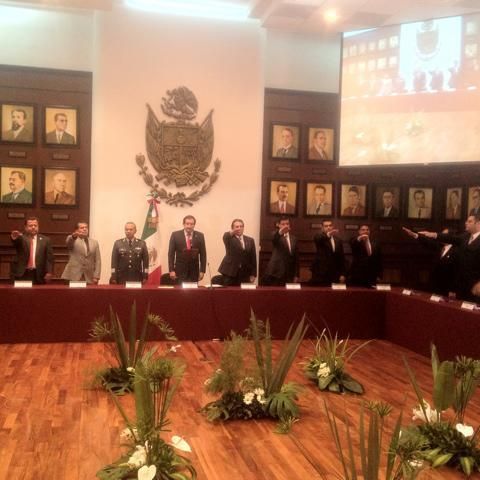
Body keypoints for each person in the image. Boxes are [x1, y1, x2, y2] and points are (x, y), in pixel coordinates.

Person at [415, 214, 480, 301]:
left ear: (478, 223)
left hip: (475, 285)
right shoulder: (465, 236)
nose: (466, 223)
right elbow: (450, 238)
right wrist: (434, 234)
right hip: (462, 284)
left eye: (470, 221)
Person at [403, 226, 457, 297]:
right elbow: (427, 242)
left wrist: (453, 289)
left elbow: (456, 272)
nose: (441, 236)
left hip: (447, 287)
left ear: (450, 237)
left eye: (443, 235)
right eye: (441, 234)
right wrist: (414, 235)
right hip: (435, 285)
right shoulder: (440, 247)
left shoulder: (456, 251)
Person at [10, 217, 54, 284]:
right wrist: (14, 238)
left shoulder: (46, 240)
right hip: (22, 274)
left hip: (38, 274)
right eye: (30, 226)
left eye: (35, 225)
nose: (33, 227)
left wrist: (49, 272)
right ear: (25, 227)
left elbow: (49, 258)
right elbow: (16, 242)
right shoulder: (21, 238)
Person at [216, 219, 257, 286]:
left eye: (241, 226)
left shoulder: (250, 240)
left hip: (245, 272)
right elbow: (225, 236)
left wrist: (253, 274)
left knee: (243, 291)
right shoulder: (229, 238)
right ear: (232, 228)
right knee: (229, 291)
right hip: (230, 271)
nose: (239, 228)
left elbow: (253, 258)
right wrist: (233, 231)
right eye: (237, 226)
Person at [168, 215, 207, 283]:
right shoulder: (175, 235)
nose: (189, 226)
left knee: (193, 290)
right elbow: (171, 254)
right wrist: (171, 270)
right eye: (187, 224)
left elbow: (203, 255)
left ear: (194, 225)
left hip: (194, 272)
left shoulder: (200, 236)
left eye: (191, 224)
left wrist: (202, 271)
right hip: (179, 271)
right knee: (180, 290)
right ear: (183, 224)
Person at [262, 217, 299, 286]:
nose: (285, 226)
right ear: (278, 225)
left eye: (287, 224)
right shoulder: (275, 235)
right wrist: (281, 232)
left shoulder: (294, 239)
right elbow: (274, 239)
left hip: (289, 274)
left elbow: (296, 258)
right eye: (283, 224)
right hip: (276, 273)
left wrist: (296, 274)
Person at [310, 219, 346, 286]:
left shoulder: (338, 240)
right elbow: (318, 239)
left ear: (333, 227)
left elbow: (341, 258)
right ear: (322, 228)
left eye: (330, 225)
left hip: (334, 273)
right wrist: (328, 234)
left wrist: (343, 274)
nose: (328, 227)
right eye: (326, 226)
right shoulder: (318, 236)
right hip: (320, 273)